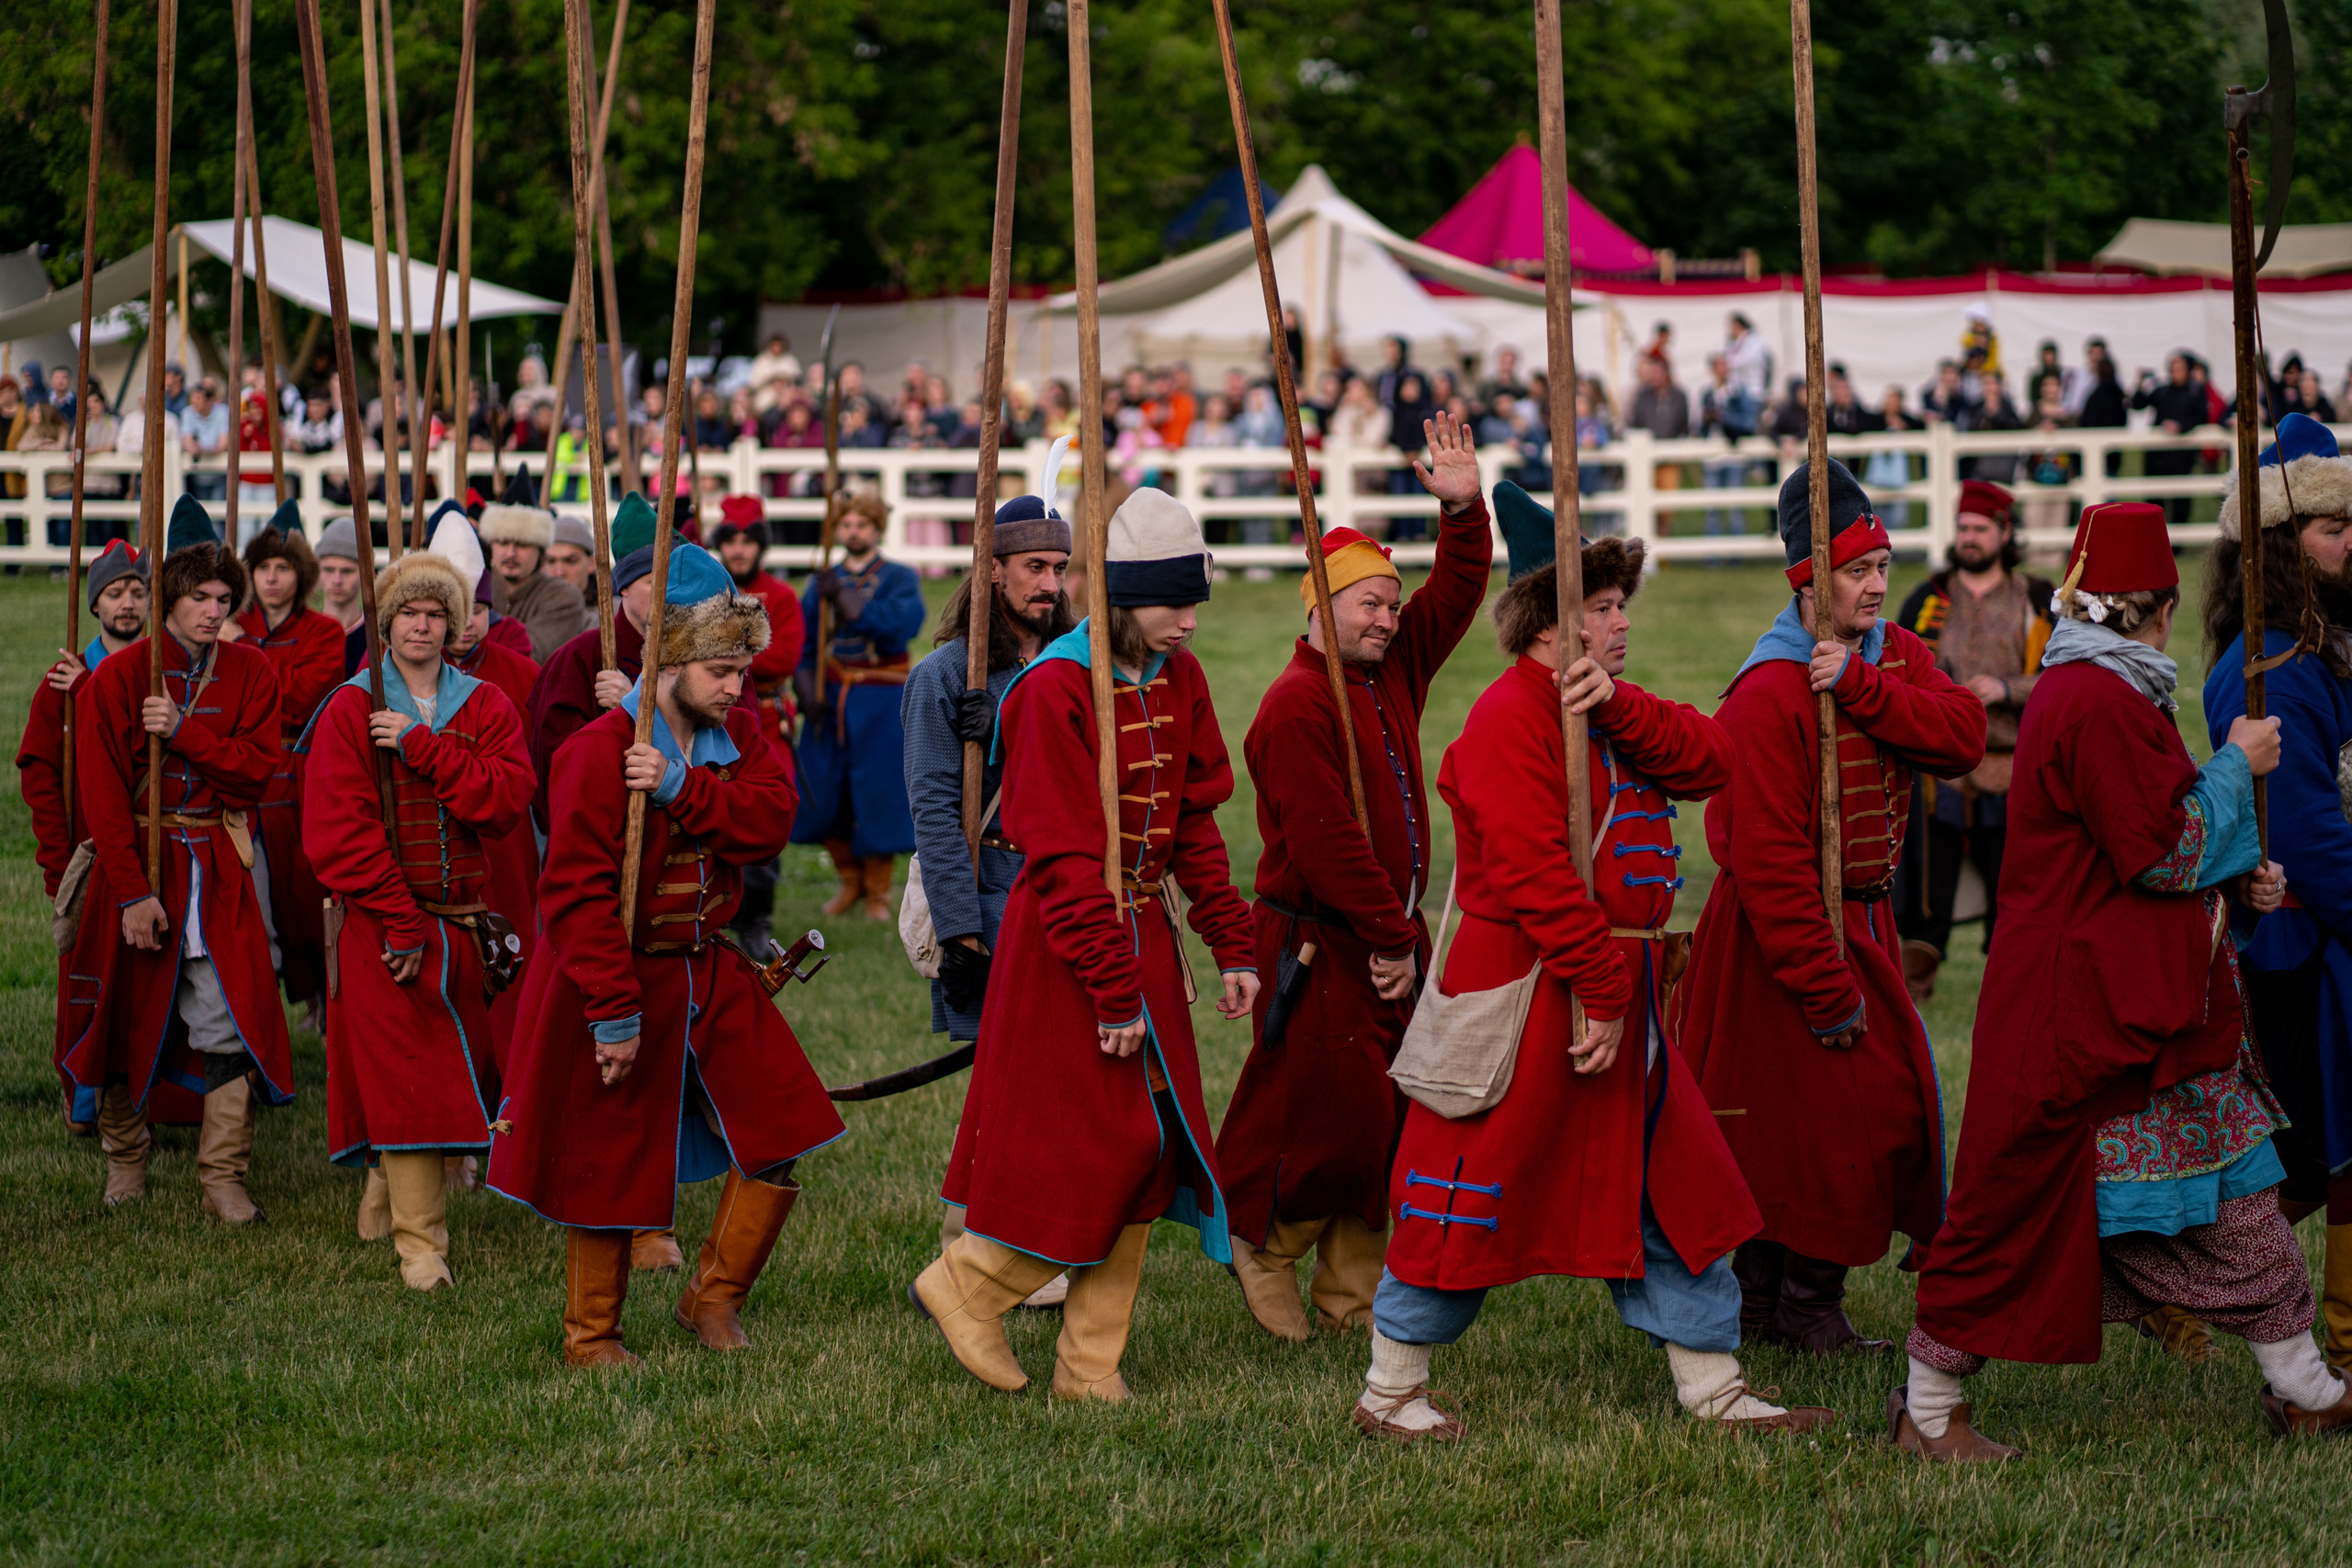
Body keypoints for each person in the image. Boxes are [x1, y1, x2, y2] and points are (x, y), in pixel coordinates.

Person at [1351, 485, 1834, 1445]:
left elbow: (1707, 761)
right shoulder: (1504, 719)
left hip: (1614, 1000)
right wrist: (1604, 994)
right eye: (1599, 609)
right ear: (1546, 621)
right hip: (1530, 999)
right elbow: (1533, 874)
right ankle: (1389, 1390)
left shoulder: (1603, 707)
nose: (1618, 623)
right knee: (1464, 1192)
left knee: (1672, 1180)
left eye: (1621, 607)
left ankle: (1713, 1387)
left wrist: (1614, 707)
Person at [1897, 502, 2339, 1458]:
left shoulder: (2110, 689)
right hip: (2080, 1011)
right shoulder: (2093, 699)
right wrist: (2235, 767)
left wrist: (2243, 876)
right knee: (2015, 1205)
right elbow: (2156, 851)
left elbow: (2155, 830)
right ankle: (1927, 1410)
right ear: (2158, 605)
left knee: (2230, 1199)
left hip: (2133, 1009)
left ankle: (2304, 1385)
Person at [916, 488, 1261, 1403]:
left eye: (1194, 602)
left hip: (1141, 935)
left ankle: (1088, 1364)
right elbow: (1065, 863)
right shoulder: (1054, 688)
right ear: (1119, 599)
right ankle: (964, 1289)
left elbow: (1192, 823)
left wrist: (1231, 940)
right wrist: (1112, 991)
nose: (1188, 622)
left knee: (1152, 1147)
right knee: (1093, 1148)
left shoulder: (1176, 676)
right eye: (1168, 603)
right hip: (1070, 949)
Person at [487, 542, 846, 1364]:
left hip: (708, 964)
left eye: (742, 668)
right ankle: (592, 1333)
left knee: (779, 1124)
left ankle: (712, 1298)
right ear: (673, 662)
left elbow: (769, 820)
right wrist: (612, 1011)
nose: (737, 685)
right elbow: (573, 897)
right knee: (607, 1153)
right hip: (615, 973)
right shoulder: (591, 754)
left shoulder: (739, 735)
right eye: (721, 668)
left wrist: (683, 787)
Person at [1675, 459, 1984, 1355]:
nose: (1877, 585)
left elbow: (1961, 734)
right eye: (1856, 571)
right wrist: (1824, 982)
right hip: (1784, 938)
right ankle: (1781, 1304)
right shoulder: (1769, 690)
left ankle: (1786, 1301)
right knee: (1810, 1124)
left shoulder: (1889, 656)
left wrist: (1859, 686)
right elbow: (1763, 858)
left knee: (1854, 1116)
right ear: (1808, 581)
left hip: (1864, 920)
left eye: (1881, 566)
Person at [1216, 412, 1492, 1344]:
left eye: (1388, 602)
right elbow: (1329, 842)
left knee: (1385, 1118)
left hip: (1381, 937)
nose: (1385, 616)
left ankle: (1351, 1290)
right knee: (1322, 1117)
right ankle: (1264, 1247)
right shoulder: (1297, 705)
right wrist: (1386, 937)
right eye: (1366, 603)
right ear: (1319, 609)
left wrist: (1462, 513)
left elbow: (1453, 599)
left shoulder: (1388, 669)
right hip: (1317, 940)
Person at [300, 546, 535, 1289]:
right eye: (409, 612)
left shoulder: (487, 705)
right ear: (386, 622)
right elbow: (339, 834)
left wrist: (422, 747)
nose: (423, 627)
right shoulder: (350, 706)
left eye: (438, 614)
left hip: (463, 922)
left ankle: (385, 1183)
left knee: (455, 1072)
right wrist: (400, 921)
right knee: (408, 1078)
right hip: (382, 925)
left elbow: (504, 803)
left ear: (457, 626)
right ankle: (420, 1248)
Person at [57, 497, 292, 1217]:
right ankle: (126, 1161)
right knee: (125, 1017)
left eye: (224, 598)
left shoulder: (252, 671)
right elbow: (101, 799)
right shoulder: (119, 679)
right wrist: (131, 893)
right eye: (199, 597)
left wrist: (185, 730)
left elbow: (256, 773)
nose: (213, 610)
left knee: (229, 1017)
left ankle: (223, 1174)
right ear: (169, 599)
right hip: (140, 863)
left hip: (217, 863)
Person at [904, 470, 1077, 1293]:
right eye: (1033, 568)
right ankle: (973, 1253)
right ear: (994, 572)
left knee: (1062, 1084)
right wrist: (962, 927)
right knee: (1006, 1092)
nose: (1049, 584)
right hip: (995, 894)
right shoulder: (945, 675)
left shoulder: (1083, 664)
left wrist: (1014, 722)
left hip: (1069, 892)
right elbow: (936, 812)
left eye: (1059, 567)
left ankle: (1034, 1247)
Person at [2203, 414, 2352, 1369]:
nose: (2349, 541)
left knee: (2305, 1154)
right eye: (2332, 527)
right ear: (2277, 545)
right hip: (2298, 941)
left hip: (2328, 933)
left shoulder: (2326, 648)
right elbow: (2305, 836)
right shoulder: (2268, 673)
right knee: (2315, 1150)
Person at [18, 542, 191, 1141]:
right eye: (115, 592)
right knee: (88, 981)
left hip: (153, 849)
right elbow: (41, 774)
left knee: (154, 979)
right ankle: (85, 1098)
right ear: (95, 604)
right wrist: (56, 861)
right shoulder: (62, 682)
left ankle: (164, 1097)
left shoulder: (163, 676)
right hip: (93, 856)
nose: (127, 603)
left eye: (138, 591)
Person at [1890, 480, 2055, 1000]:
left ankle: (2015, 990)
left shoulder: (2037, 599)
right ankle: (1912, 987)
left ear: (2005, 532)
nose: (1969, 538)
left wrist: (2007, 689)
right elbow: (1893, 671)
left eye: (1980, 529)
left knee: (2016, 885)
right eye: (1963, 528)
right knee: (1925, 886)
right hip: (1940, 773)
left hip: (2013, 767)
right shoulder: (1928, 599)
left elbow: (2066, 675)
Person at [227, 507, 344, 1018]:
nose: (272, 579)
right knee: (253, 900)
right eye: (263, 569)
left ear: (301, 575)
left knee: (304, 894)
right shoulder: (230, 622)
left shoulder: (323, 633)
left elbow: (300, 697)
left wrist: (245, 651)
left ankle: (324, 994)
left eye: (283, 568)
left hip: (297, 775)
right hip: (241, 772)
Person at [791, 491, 924, 919]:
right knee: (823, 790)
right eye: (846, 525)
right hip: (832, 698)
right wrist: (808, 691)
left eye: (861, 525)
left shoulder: (899, 577)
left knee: (877, 795)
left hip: (881, 699)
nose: (853, 532)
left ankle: (879, 894)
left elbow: (898, 628)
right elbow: (806, 643)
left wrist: (847, 599)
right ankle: (850, 882)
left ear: (877, 530)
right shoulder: (822, 579)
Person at [708, 493, 806, 950]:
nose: (740, 549)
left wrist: (723, 653)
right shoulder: (710, 595)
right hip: (712, 721)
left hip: (765, 722)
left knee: (763, 814)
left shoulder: (782, 597)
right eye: (732, 540)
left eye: (749, 540)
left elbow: (784, 657)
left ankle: (756, 921)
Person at [479, 479, 591, 661]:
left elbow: (531, 655)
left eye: (522, 544)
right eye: (502, 542)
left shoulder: (563, 596)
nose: (511, 553)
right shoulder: (474, 587)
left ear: (540, 549)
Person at [2132, 354, 2210, 525]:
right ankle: (2154, 538)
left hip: (2181, 456)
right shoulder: (2161, 390)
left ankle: (2176, 545)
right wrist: (2139, 383)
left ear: (2188, 370)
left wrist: (2180, 426)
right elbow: (2137, 404)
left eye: (2179, 367)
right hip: (2157, 456)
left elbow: (2202, 417)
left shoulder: (2195, 392)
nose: (2175, 371)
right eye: (2172, 367)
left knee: (2180, 499)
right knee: (2154, 498)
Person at [542, 513, 596, 598]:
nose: (559, 572)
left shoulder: (614, 610)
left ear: (591, 563)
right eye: (550, 561)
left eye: (571, 561)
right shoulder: (530, 609)